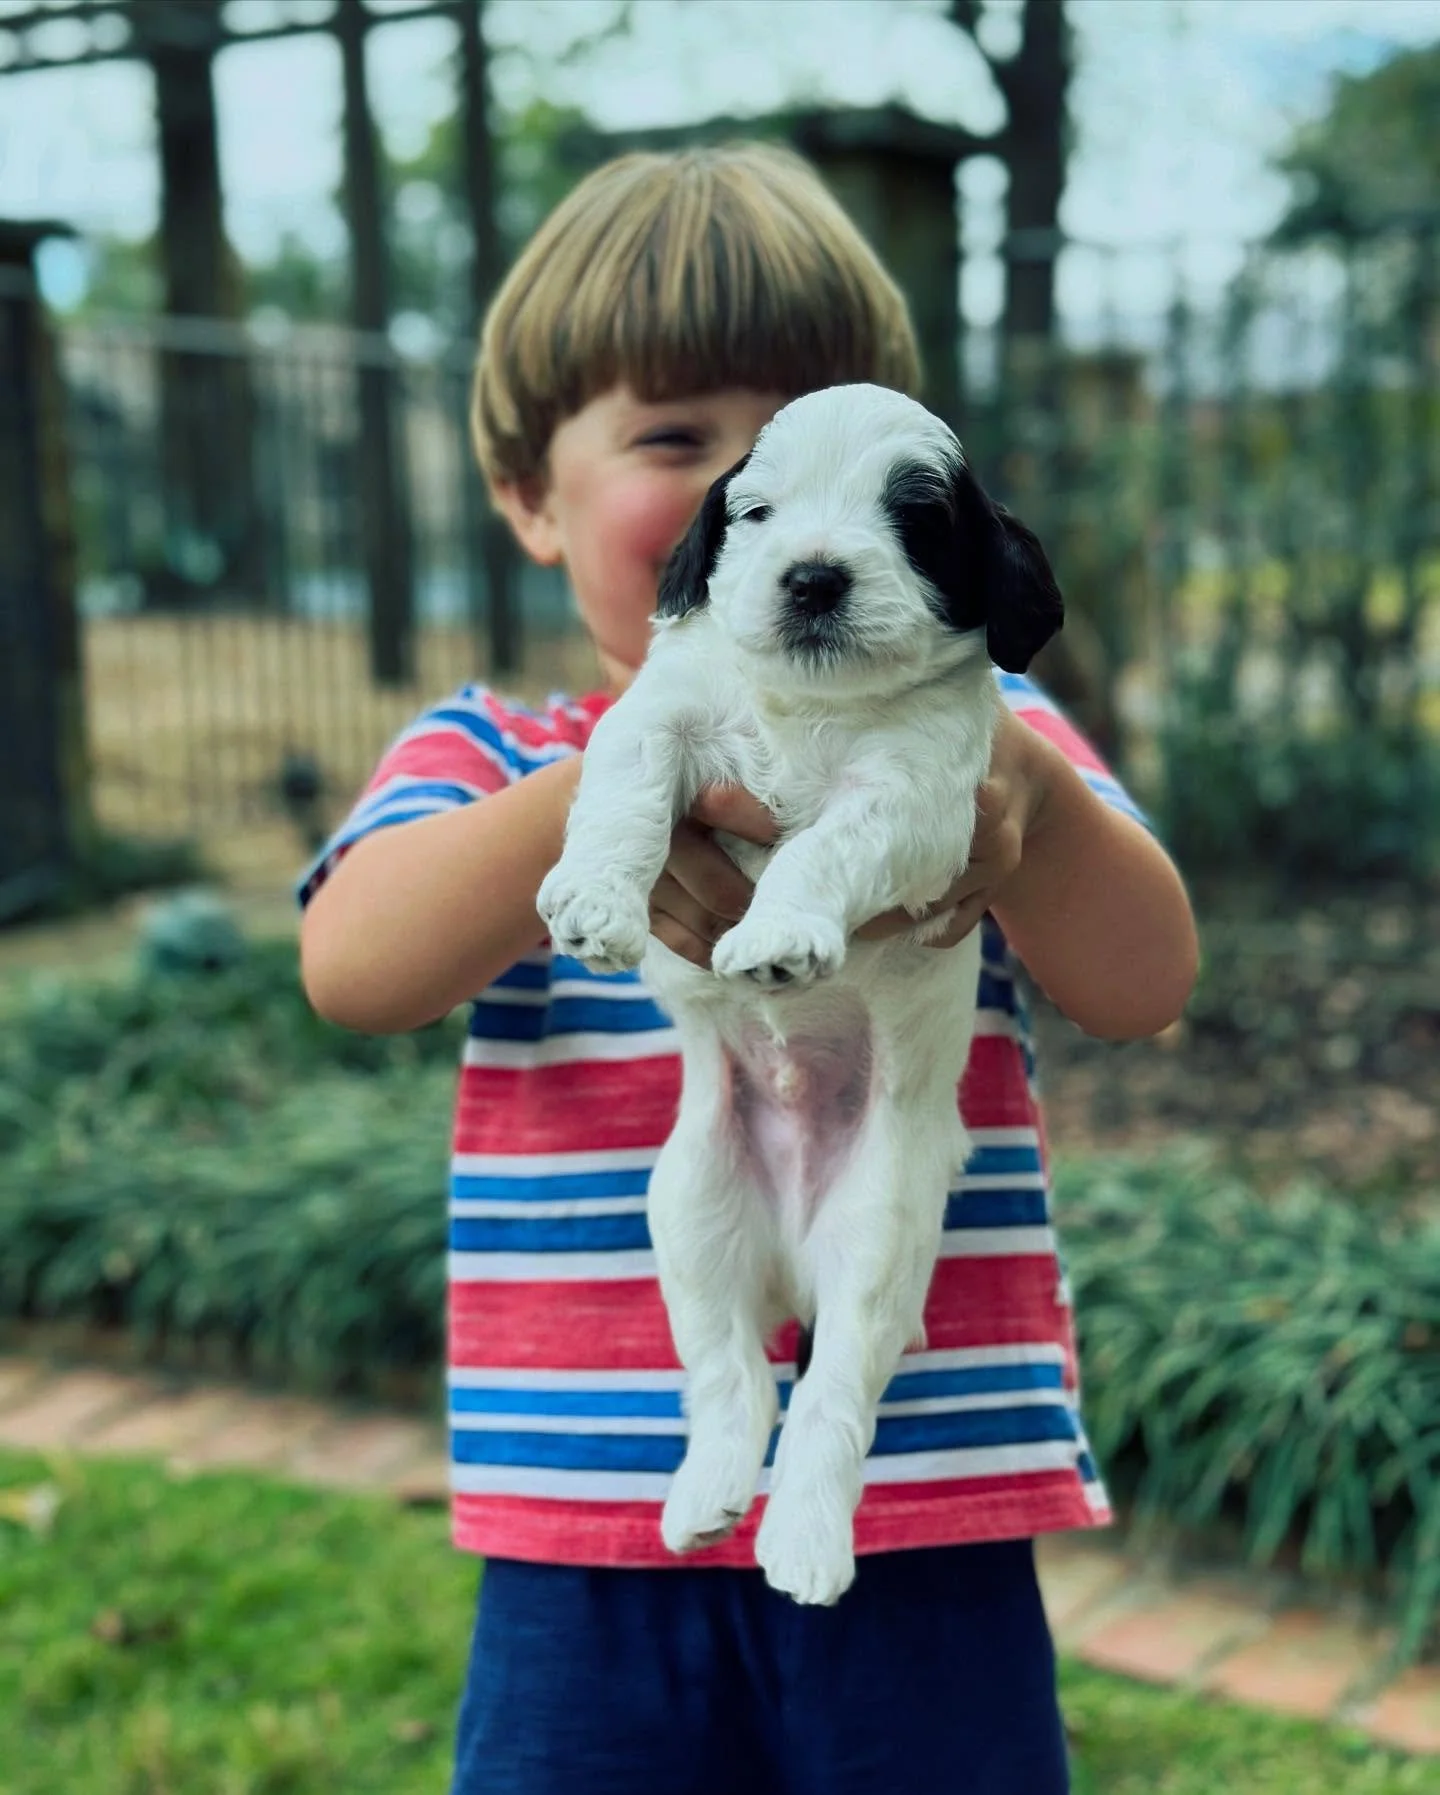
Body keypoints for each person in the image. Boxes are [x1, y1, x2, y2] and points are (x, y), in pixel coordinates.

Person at [299, 141, 1199, 1795]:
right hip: (589, 1515)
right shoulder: (494, 749)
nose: (783, 521)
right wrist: (607, 796)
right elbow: (356, 966)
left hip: (932, 1492)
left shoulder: (994, 741)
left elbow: (1146, 979)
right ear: (525, 492)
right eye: (679, 440)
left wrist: (1034, 809)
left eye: (809, 445)